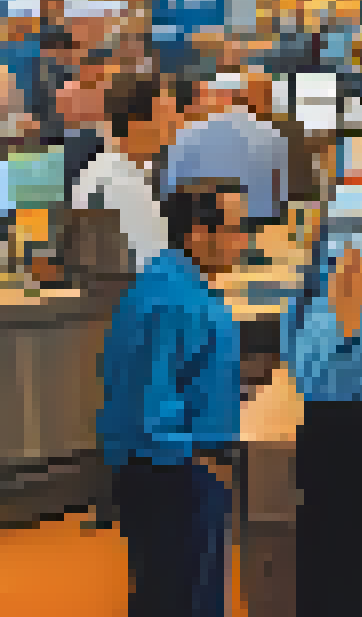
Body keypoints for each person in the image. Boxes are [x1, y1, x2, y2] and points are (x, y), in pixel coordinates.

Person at [98, 180, 250, 617]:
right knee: (182, 597)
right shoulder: (173, 302)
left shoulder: (175, 287)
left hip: (177, 469)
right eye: (236, 229)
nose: (244, 241)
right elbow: (150, 403)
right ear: (199, 233)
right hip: (175, 474)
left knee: (171, 593)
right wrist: (202, 461)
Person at [283, 227, 362, 617]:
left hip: (332, 423)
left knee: (329, 544)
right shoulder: (357, 287)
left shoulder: (314, 288)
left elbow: (299, 368)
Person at [162, 72, 291, 232]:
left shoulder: (188, 133)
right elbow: (277, 199)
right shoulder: (272, 137)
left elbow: (168, 188)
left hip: (190, 225)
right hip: (252, 226)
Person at [72, 74, 173, 272]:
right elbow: (152, 263)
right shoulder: (121, 183)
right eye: (167, 118)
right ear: (138, 124)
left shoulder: (108, 170)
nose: (175, 126)